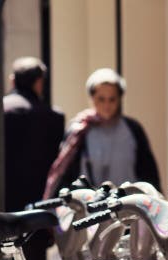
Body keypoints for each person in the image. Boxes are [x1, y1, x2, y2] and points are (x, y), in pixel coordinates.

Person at [3, 57, 65, 260]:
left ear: (12, 80)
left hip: (1, 213)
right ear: (40, 83)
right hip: (36, 214)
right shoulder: (52, 117)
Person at [43, 67, 161, 198]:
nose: (107, 105)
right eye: (101, 99)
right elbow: (65, 174)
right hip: (90, 208)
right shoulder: (79, 130)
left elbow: (148, 172)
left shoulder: (133, 129)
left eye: (112, 99)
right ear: (92, 98)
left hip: (128, 207)